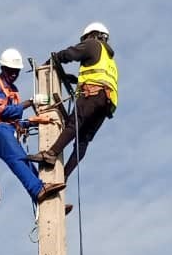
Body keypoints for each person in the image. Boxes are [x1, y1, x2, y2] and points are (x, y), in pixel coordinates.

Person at [28, 22, 117, 178]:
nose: (84, 42)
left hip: (92, 95)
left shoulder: (93, 44)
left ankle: (50, 154)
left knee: (73, 123)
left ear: (93, 35)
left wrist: (53, 60)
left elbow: (71, 54)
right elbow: (98, 76)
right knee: (82, 141)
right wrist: (75, 80)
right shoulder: (109, 60)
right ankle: (65, 176)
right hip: (105, 103)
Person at [0, 48, 63, 206]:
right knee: (17, 159)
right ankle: (38, 190)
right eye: (11, 71)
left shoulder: (13, 91)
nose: (14, 74)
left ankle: (47, 201)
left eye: (16, 71)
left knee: (26, 162)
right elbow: (3, 111)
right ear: (3, 68)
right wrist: (31, 102)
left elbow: (15, 121)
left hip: (9, 130)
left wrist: (34, 121)